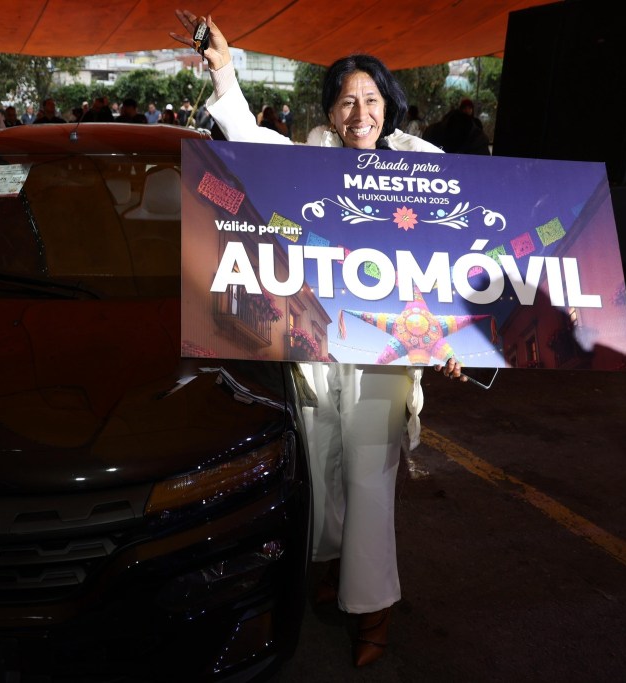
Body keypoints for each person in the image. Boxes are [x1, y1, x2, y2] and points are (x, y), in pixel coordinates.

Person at [171, 10, 467, 668]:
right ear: (331, 114)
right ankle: (333, 572)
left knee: (368, 479)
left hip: (386, 359)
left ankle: (375, 608)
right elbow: (244, 138)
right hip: (317, 354)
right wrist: (224, 67)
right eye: (345, 101)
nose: (358, 112)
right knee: (323, 471)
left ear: (388, 104)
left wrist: (456, 338)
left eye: (370, 99)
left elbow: (459, 260)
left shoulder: (428, 165)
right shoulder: (309, 164)